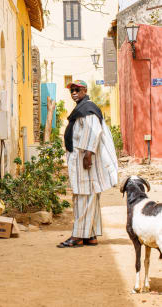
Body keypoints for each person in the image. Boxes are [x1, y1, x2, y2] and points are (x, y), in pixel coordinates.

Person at [57, 80, 118, 248]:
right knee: (88, 195)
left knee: (83, 196)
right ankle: (90, 235)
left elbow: (94, 132)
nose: (74, 93)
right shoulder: (82, 108)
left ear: (84, 90)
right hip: (80, 157)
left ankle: (77, 236)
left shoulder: (88, 109)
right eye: (71, 91)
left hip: (84, 159)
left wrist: (88, 154)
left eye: (77, 90)